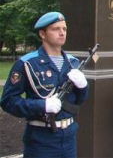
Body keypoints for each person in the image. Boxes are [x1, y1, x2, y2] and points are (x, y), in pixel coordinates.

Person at [0, 12, 89, 158]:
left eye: (64, 29)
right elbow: (8, 101)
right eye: (55, 29)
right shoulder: (27, 63)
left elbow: (79, 100)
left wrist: (83, 86)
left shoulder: (73, 63)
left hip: (69, 137)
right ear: (42, 34)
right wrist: (42, 105)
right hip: (41, 139)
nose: (62, 33)